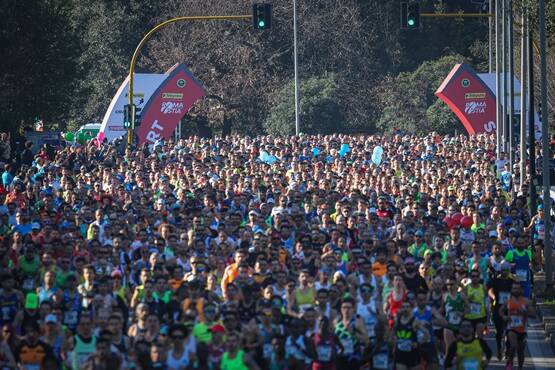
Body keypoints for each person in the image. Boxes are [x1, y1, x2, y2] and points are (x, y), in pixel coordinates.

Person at [500, 282, 535, 370]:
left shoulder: (527, 301)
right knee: (513, 345)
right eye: (514, 288)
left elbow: (533, 315)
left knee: (520, 351)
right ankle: (510, 362)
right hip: (511, 328)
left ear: (521, 290)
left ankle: (520, 367)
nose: (516, 290)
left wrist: (525, 312)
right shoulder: (508, 301)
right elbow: (500, 310)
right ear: (511, 290)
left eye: (518, 288)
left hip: (522, 329)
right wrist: (504, 316)